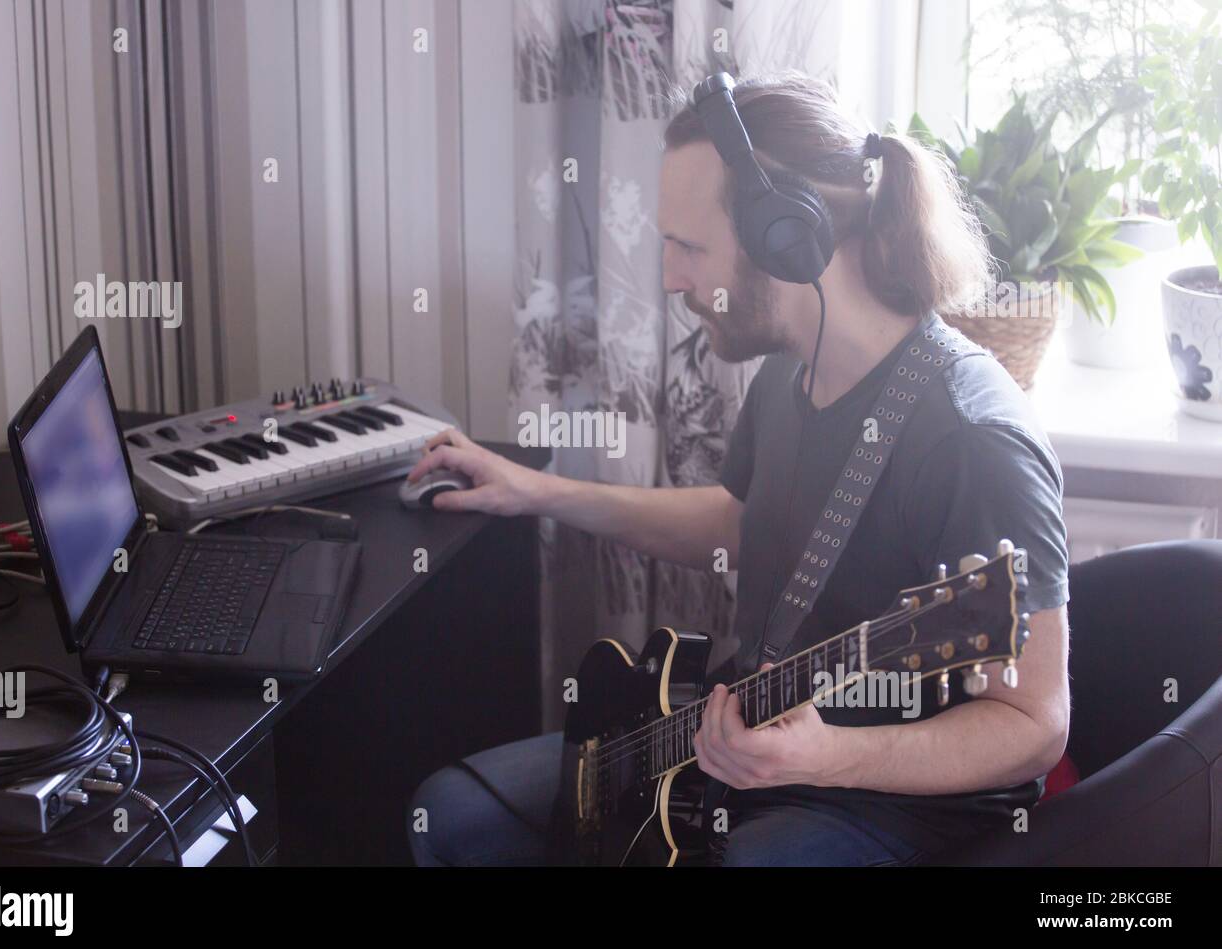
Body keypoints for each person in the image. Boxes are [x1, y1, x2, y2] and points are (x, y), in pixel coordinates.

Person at [406, 72, 1070, 866]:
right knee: (447, 817)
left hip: (896, 810)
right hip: (748, 735)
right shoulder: (792, 372)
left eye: (689, 246)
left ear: (788, 236)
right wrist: (533, 493)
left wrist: (831, 758)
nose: (669, 278)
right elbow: (737, 522)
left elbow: (1035, 725)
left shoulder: (971, 438)